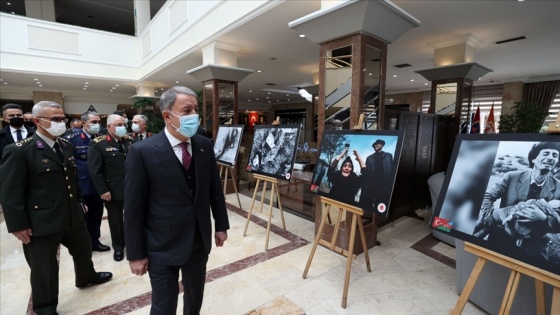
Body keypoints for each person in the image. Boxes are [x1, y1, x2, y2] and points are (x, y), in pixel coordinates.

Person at [124, 86, 230, 315]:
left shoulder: (203, 145)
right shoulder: (142, 152)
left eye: (196, 109)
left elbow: (214, 189)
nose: (194, 115)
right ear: (167, 115)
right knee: (163, 306)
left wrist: (221, 225)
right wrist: (135, 253)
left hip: (197, 241)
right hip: (162, 244)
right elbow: (133, 208)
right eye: (187, 110)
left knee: (194, 298)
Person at [0, 101, 112, 315]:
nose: (62, 123)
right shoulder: (19, 151)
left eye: (63, 119)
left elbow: (72, 178)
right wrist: (18, 225)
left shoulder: (65, 145)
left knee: (84, 247)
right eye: (56, 119)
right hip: (41, 221)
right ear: (37, 121)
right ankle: (45, 307)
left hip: (71, 214)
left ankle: (86, 277)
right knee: (44, 267)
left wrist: (79, 202)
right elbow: (9, 192)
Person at [473, 142, 560, 265]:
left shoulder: (559, 187)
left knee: (530, 281)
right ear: (534, 159)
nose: (551, 157)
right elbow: (487, 196)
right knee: (490, 270)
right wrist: (490, 216)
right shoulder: (512, 176)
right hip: (501, 238)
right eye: (546, 153)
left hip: (535, 246)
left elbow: (558, 223)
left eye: (555, 155)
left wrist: (543, 218)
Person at [88, 114, 135, 262]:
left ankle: (132, 243)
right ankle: (119, 247)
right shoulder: (98, 143)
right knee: (115, 220)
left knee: (133, 217)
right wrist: (103, 190)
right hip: (112, 189)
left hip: (132, 187)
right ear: (109, 127)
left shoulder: (130, 141)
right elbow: (95, 170)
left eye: (123, 124)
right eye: (119, 125)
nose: (123, 128)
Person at [66, 111, 110, 252]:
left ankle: (95, 240)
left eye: (99, 122)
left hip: (98, 185)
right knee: (83, 218)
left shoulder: (102, 139)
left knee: (97, 215)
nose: (97, 125)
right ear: (84, 123)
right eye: (94, 122)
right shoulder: (73, 139)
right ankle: (84, 245)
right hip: (82, 185)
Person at [359, 139, 393, 213]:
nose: (375, 145)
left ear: (382, 145)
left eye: (377, 144)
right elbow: (365, 172)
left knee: (381, 206)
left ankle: (378, 219)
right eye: (374, 145)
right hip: (371, 186)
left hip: (383, 186)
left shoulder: (389, 156)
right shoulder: (369, 158)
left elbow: (392, 170)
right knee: (368, 204)